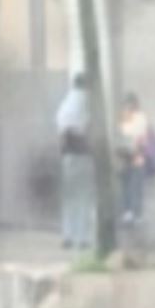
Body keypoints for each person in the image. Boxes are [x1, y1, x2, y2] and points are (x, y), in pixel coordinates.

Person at [56, 73, 92, 250]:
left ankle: (67, 236)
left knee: (69, 198)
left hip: (68, 156)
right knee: (83, 198)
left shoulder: (64, 105)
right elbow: (90, 128)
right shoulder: (87, 104)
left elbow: (61, 131)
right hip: (84, 155)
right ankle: (83, 238)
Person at [116, 94, 150, 225]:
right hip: (130, 157)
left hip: (134, 157)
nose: (126, 108)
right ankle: (131, 213)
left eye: (128, 105)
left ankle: (133, 214)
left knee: (133, 186)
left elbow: (140, 138)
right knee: (130, 186)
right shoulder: (128, 118)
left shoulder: (138, 118)